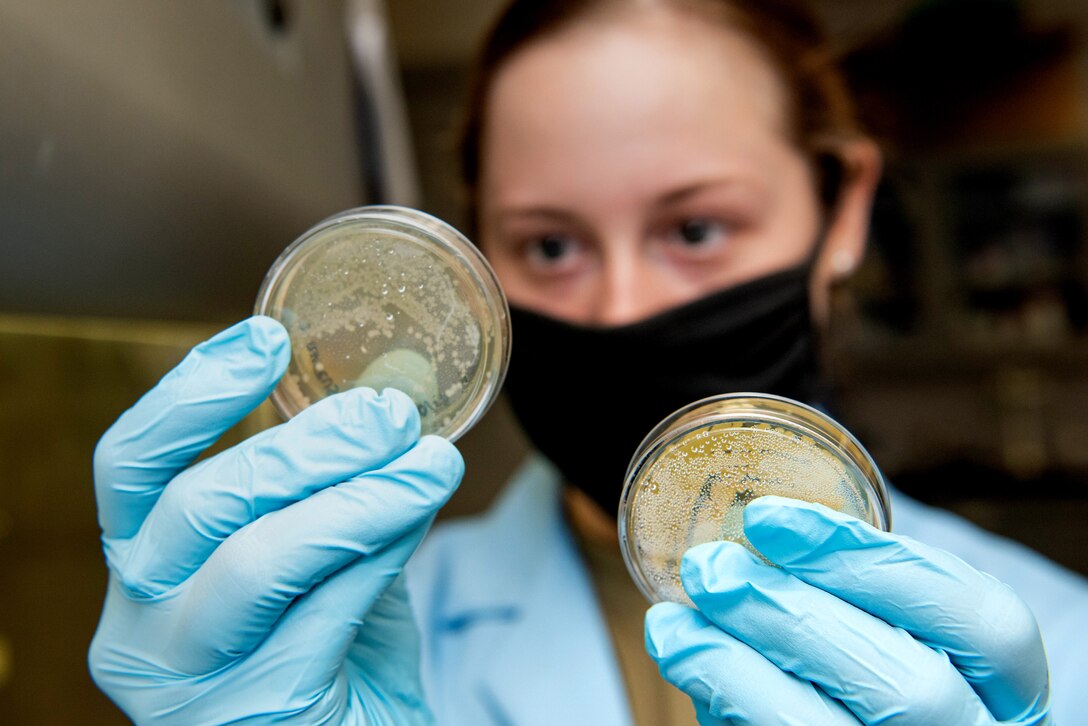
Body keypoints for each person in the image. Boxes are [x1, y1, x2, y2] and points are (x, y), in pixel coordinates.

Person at [88, 0, 1088, 723]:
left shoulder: (1056, 654)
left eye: (694, 227)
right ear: (479, 249)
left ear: (845, 208)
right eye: (550, 247)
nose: (619, 311)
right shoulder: (326, 647)